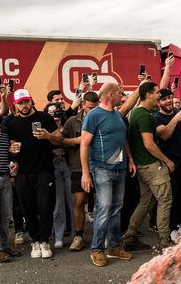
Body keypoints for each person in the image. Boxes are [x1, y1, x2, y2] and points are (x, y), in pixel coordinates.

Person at [80, 83, 135, 267]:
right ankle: (97, 249)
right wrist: (85, 173)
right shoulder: (94, 115)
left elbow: (123, 139)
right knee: (104, 208)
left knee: (116, 207)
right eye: (120, 93)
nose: (123, 95)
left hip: (120, 168)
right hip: (101, 168)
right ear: (111, 95)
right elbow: (84, 145)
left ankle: (113, 247)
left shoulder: (118, 116)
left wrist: (131, 161)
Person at [8, 88, 62, 259]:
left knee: (45, 207)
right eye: (21, 103)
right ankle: (35, 241)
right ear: (16, 105)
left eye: (26, 101)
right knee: (28, 208)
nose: (24, 105)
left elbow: (59, 139)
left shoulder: (44, 118)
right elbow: (11, 150)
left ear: (31, 101)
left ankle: (45, 240)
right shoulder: (12, 123)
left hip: (44, 169)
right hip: (23, 172)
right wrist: (13, 150)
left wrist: (47, 136)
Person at [122, 82, 174, 251]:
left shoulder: (136, 113)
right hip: (152, 167)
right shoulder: (144, 116)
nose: (159, 95)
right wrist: (167, 160)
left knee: (145, 202)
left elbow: (130, 140)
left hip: (142, 166)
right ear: (149, 94)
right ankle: (165, 241)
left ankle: (129, 236)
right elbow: (149, 144)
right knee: (165, 201)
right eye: (157, 92)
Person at [61, 91, 99, 251]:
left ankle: (101, 235)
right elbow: (61, 141)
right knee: (79, 202)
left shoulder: (101, 118)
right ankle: (78, 236)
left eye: (95, 107)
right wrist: (78, 141)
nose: (93, 110)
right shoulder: (72, 121)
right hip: (77, 166)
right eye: (90, 107)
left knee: (101, 204)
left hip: (99, 166)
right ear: (83, 105)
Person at [154, 88, 181, 243]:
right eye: (164, 99)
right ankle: (171, 228)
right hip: (170, 164)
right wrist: (175, 118)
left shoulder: (179, 112)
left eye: (170, 98)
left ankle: (177, 223)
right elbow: (165, 134)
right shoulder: (156, 118)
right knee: (172, 197)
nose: (168, 101)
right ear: (158, 102)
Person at [44, 103, 75, 249]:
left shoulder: (67, 126)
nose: (53, 114)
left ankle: (76, 234)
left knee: (73, 201)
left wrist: (63, 145)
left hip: (68, 165)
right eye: (49, 111)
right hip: (53, 166)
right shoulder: (44, 129)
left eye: (55, 111)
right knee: (58, 204)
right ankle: (59, 236)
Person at [0, 117, 21, 262]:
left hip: (5, 176)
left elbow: (8, 153)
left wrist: (13, 163)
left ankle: (4, 245)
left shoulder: (3, 128)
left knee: (6, 214)